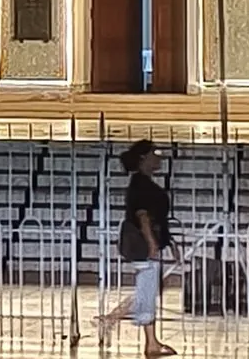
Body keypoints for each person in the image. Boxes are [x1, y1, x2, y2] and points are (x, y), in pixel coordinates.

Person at [99, 139, 177, 355]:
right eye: (155, 153)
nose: (158, 157)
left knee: (148, 290)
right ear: (144, 158)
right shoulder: (142, 185)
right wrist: (152, 243)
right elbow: (143, 217)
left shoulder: (142, 183)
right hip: (144, 244)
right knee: (147, 291)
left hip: (147, 243)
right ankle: (114, 321)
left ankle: (149, 339)